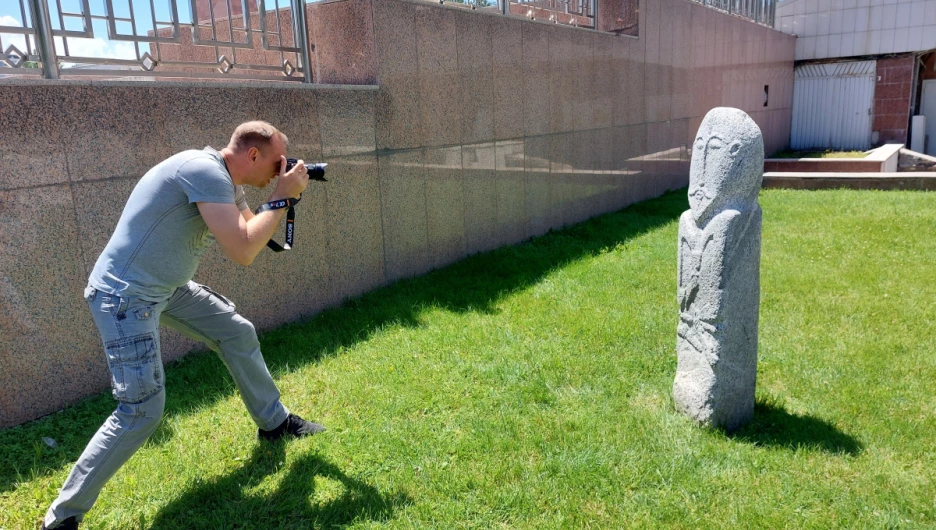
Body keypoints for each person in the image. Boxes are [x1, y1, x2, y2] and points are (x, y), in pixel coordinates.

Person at [42, 121, 325, 530]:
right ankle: (62, 517)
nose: (282, 168)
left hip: (166, 287)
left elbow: (253, 231)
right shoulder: (204, 171)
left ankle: (275, 424)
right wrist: (282, 196)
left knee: (236, 331)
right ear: (252, 155)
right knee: (142, 411)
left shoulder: (227, 180)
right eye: (278, 160)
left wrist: (282, 199)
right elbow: (243, 250)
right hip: (127, 296)